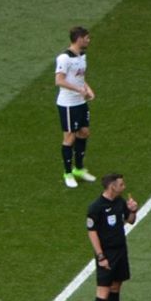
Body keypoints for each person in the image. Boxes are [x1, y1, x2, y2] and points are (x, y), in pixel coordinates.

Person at [84, 172, 138, 301]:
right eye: (121, 184)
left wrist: (132, 211)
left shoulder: (119, 202)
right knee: (103, 292)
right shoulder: (96, 207)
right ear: (112, 186)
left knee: (116, 288)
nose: (124, 187)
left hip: (121, 251)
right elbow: (92, 233)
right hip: (106, 254)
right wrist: (100, 256)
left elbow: (130, 221)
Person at [54, 25, 96, 188]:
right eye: (86, 38)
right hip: (68, 104)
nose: (88, 40)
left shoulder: (82, 55)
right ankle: (68, 172)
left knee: (84, 132)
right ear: (79, 39)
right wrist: (80, 90)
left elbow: (79, 77)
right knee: (70, 137)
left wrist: (87, 88)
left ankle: (79, 168)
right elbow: (59, 80)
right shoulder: (64, 58)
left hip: (80, 101)